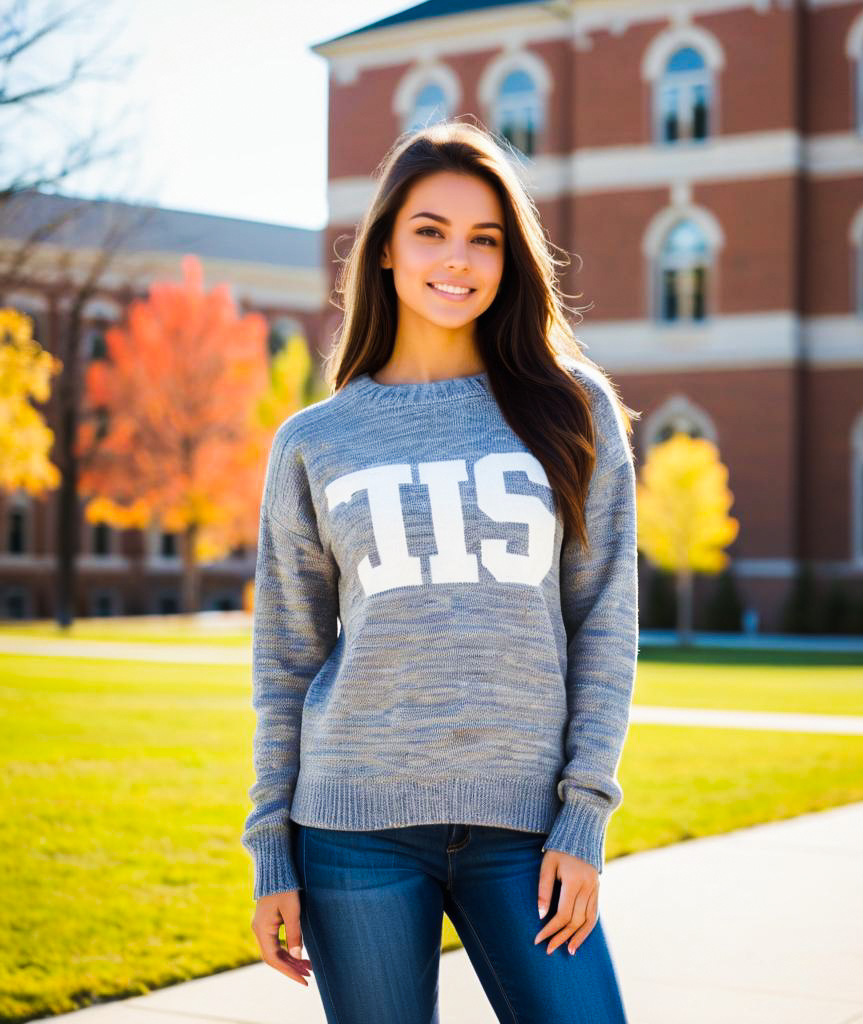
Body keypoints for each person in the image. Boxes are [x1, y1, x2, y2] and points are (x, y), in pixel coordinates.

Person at [242, 117, 640, 1024]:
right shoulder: (315, 441)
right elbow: (286, 660)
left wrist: (583, 818)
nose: (457, 258)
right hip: (353, 832)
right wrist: (272, 851)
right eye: (430, 230)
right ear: (385, 246)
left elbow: (605, 623)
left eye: (485, 238)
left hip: (526, 828)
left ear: (511, 259)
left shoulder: (571, 410)